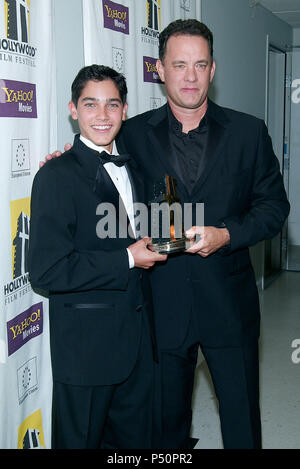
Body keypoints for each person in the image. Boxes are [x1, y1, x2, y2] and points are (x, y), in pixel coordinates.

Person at [44, 20, 290, 449]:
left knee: (242, 420)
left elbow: (274, 209)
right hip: (159, 308)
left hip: (229, 305)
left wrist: (227, 234)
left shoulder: (250, 133)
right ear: (160, 69)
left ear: (213, 70)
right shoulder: (131, 132)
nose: (190, 76)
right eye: (179, 65)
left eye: (200, 64)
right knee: (164, 432)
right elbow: (95, 167)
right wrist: (65, 158)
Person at [28, 64, 166, 449]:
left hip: (139, 344)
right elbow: (47, 271)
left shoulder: (134, 167)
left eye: (112, 105)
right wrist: (126, 258)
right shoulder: (55, 176)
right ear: (73, 109)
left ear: (124, 110)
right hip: (87, 352)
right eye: (91, 105)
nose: (102, 116)